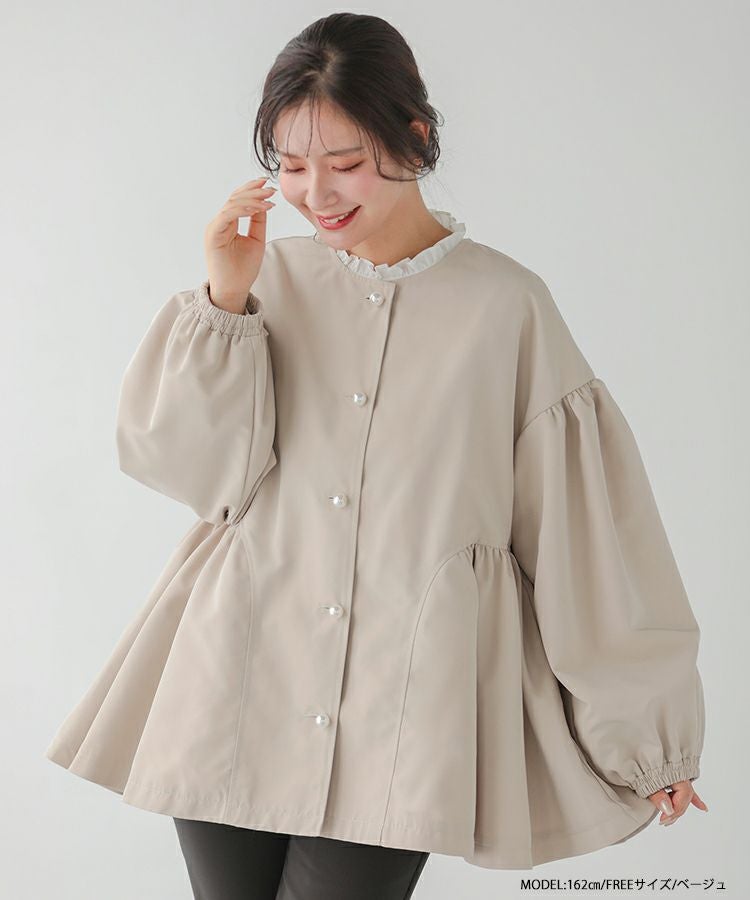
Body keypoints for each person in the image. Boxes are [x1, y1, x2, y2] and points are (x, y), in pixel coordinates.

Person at [45, 11, 708, 897]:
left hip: (411, 705)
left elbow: (582, 538)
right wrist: (226, 304)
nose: (315, 193)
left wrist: (648, 736)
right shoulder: (262, 281)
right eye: (290, 166)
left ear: (416, 139)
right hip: (237, 675)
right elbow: (196, 477)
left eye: (344, 161)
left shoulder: (506, 307)